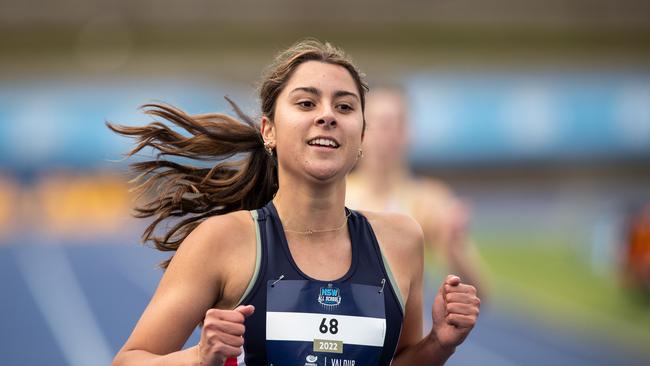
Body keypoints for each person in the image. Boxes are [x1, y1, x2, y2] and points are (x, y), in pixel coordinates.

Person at [109, 39, 480, 366]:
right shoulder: (221, 241)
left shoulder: (400, 241)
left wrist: (439, 343)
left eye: (345, 107)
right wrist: (199, 356)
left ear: (362, 136)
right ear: (269, 130)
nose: (327, 115)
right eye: (306, 103)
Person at [346, 86, 489, 300]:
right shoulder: (335, 194)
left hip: (407, 333)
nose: (383, 135)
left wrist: (454, 248)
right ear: (359, 130)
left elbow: (477, 293)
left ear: (408, 132)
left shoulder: (428, 200)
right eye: (375, 123)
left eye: (393, 124)